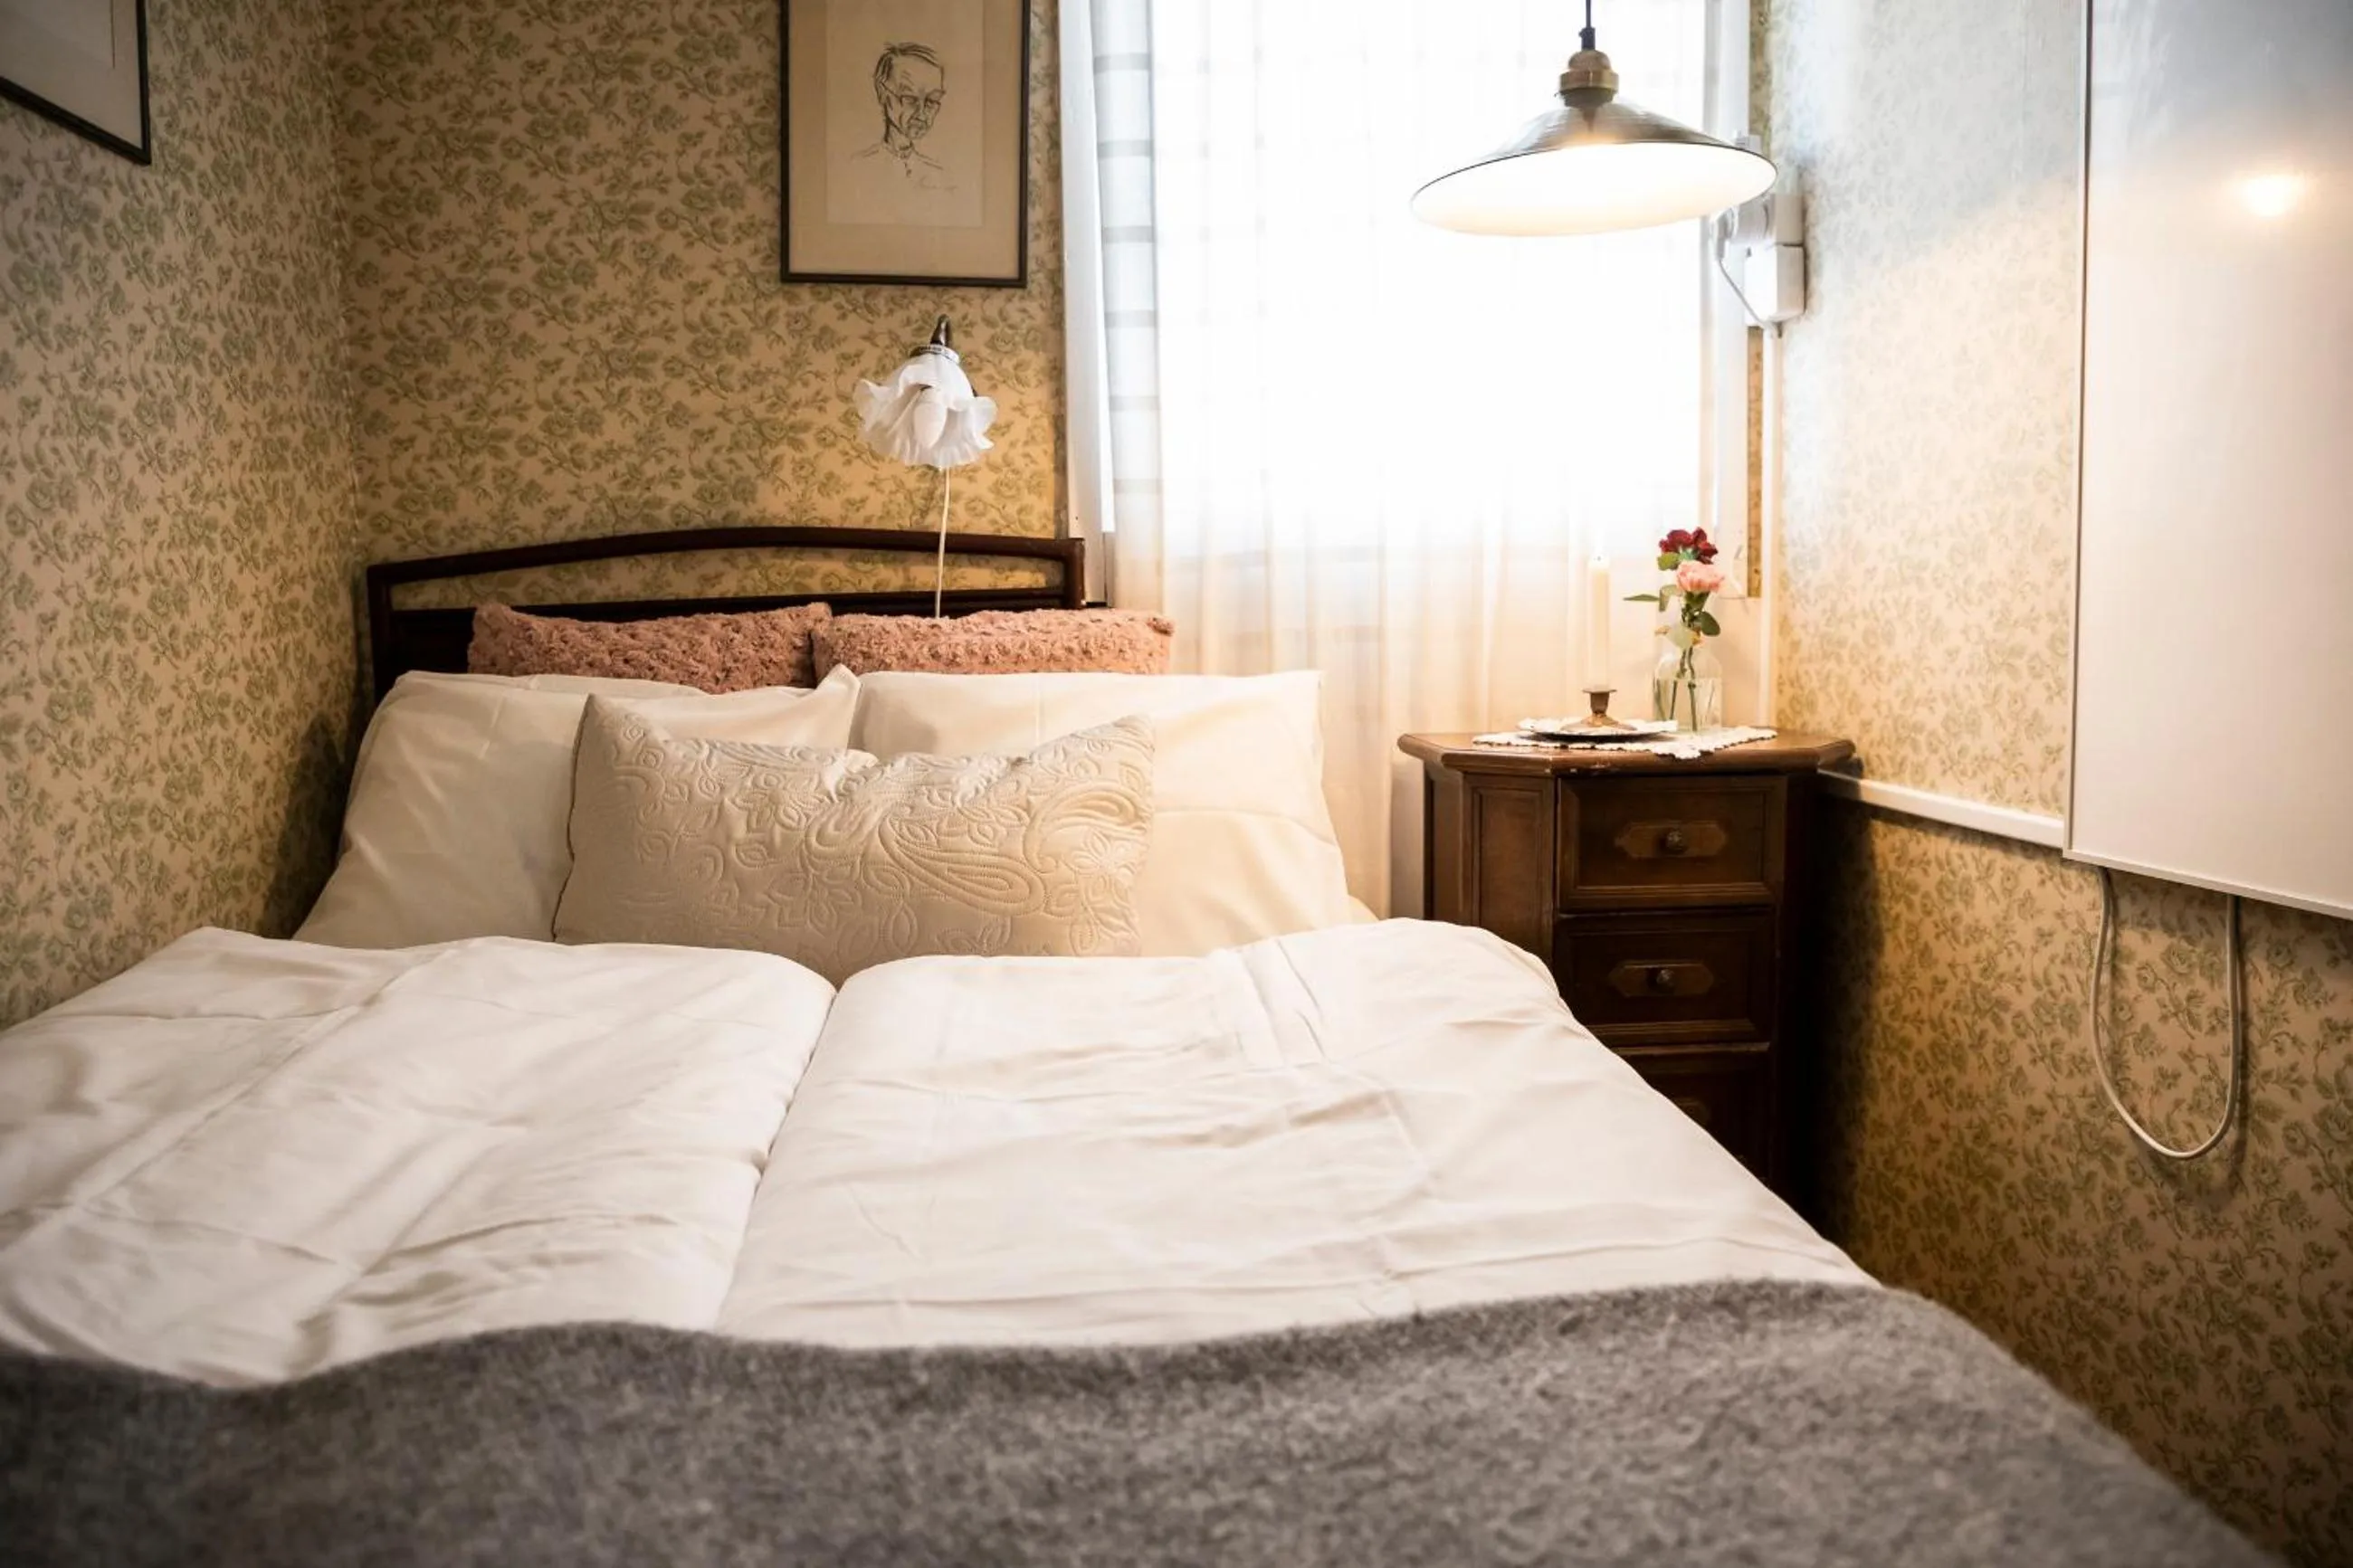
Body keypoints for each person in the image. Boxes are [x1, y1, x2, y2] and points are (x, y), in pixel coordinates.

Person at [852, 43, 950, 190]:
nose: (922, 113)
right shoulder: (857, 169)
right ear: (883, 93)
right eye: (910, 99)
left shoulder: (941, 177)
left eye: (932, 101)